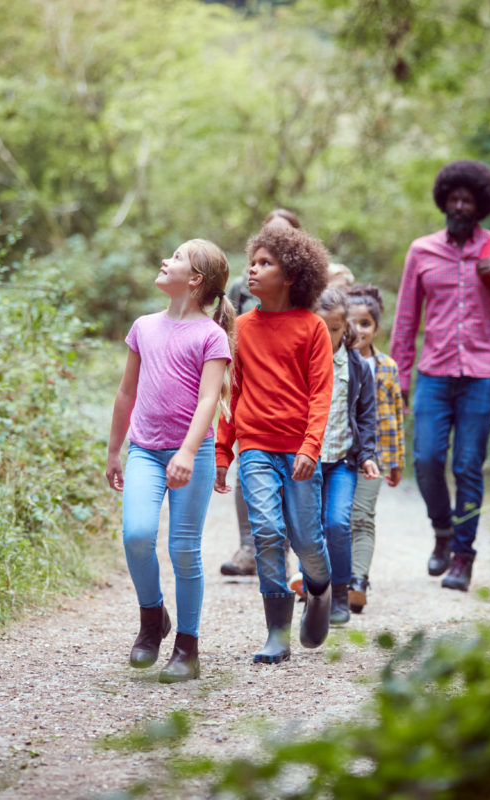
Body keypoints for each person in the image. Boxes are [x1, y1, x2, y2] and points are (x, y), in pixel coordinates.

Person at [391, 160, 490, 592]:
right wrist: (399, 382)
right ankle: (442, 530)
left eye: (469, 200)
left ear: (480, 206)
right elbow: (405, 320)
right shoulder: (422, 250)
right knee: (425, 460)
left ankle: (463, 556)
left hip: (483, 375)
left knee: (468, 466)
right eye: (454, 198)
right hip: (434, 374)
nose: (460, 205)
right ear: (444, 201)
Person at [105, 239, 235, 683]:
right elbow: (126, 392)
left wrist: (186, 451)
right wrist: (113, 450)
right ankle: (151, 619)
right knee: (137, 534)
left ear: (195, 280)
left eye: (177, 257)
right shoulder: (144, 326)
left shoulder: (211, 336)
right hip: (144, 449)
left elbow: (208, 402)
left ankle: (187, 647)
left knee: (184, 549)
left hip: (192, 454)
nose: (166, 260)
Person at [214, 223, 334, 664]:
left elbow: (321, 393)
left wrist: (309, 446)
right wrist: (224, 451)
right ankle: (277, 633)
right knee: (266, 532)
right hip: (255, 448)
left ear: (291, 277)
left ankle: (320, 590)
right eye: (253, 262)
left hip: (299, 450)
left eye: (266, 263)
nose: (253, 270)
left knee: (306, 540)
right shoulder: (240, 328)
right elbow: (232, 393)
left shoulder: (313, 328)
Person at [220, 208, 302, 578]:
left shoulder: (303, 288)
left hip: (289, 394)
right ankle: (248, 547)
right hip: (251, 388)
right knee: (249, 467)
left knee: (286, 477)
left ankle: (278, 549)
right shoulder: (242, 287)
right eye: (267, 233)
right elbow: (227, 334)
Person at [313, 288, 380, 625]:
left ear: (345, 329)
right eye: (320, 328)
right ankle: (316, 593)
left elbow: (367, 414)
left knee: (337, 524)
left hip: (342, 462)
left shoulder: (357, 367)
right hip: (306, 462)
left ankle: (340, 592)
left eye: (335, 329)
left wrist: (367, 454)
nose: (327, 336)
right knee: (308, 529)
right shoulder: (301, 362)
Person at [343, 284, 404, 613]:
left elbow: (395, 415)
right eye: (352, 323)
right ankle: (324, 579)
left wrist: (397, 460)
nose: (359, 330)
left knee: (362, 517)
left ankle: (358, 580)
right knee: (336, 518)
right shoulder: (334, 362)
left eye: (365, 323)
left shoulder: (388, 367)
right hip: (339, 453)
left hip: (376, 456)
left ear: (376, 328)